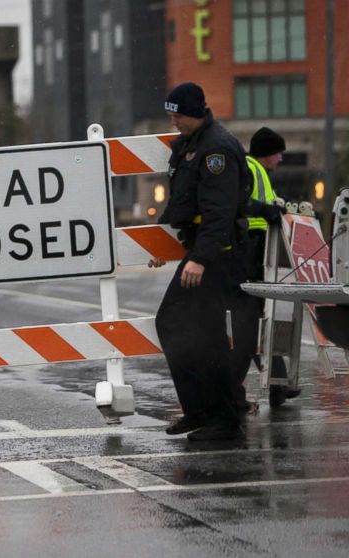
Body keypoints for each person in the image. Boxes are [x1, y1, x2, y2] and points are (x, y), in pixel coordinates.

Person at [149, 82, 251, 441]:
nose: (173, 120)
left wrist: (201, 259)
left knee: (187, 329)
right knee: (190, 330)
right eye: (170, 113)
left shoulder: (216, 150)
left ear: (194, 112)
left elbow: (219, 213)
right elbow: (184, 206)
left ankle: (221, 419)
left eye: (177, 114)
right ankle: (206, 411)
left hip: (216, 257)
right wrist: (158, 246)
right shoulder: (194, 144)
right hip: (202, 253)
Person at [231, 127, 296, 410]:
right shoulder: (251, 168)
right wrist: (268, 212)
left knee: (257, 316)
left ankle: (278, 382)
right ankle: (272, 383)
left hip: (256, 249)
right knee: (253, 318)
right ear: (267, 152)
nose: (281, 158)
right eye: (279, 152)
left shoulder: (258, 171)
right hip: (252, 249)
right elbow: (242, 203)